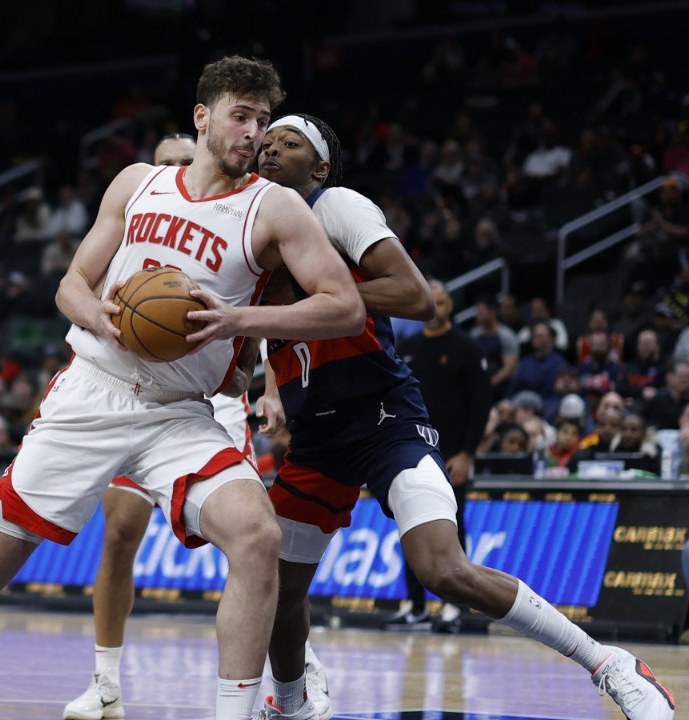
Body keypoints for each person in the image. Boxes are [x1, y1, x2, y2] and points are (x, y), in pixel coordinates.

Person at [0, 55, 367, 720]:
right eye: (241, 117)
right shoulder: (138, 183)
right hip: (93, 393)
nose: (254, 134)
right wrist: (103, 316)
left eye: (264, 121)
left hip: (180, 413)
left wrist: (238, 319)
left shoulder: (276, 208)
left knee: (257, 536)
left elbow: (344, 306)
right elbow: (71, 284)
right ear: (202, 117)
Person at [253, 112, 674, 720]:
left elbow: (417, 297)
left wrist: (326, 289)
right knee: (277, 587)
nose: (270, 151)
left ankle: (609, 664)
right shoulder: (253, 233)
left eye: (289, 144)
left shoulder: (336, 206)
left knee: (441, 569)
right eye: (265, 143)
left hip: (384, 419)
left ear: (319, 166)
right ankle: (291, 704)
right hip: (317, 436)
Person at [61, 129, 322, 720]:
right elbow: (91, 289)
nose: (180, 168)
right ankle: (104, 679)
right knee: (120, 533)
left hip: (210, 403)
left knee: (251, 544)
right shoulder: (140, 210)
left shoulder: (243, 211)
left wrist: (270, 384)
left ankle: (296, 664)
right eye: (168, 162)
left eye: (185, 158)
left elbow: (269, 311)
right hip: (131, 394)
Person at [394, 280, 493, 633]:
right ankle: (416, 606)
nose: (437, 306)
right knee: (409, 526)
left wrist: (467, 453)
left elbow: (481, 405)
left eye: (443, 300)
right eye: (431, 300)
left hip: (452, 454)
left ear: (450, 305)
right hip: (412, 451)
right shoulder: (406, 348)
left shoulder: (467, 347)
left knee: (453, 527)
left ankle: (453, 608)